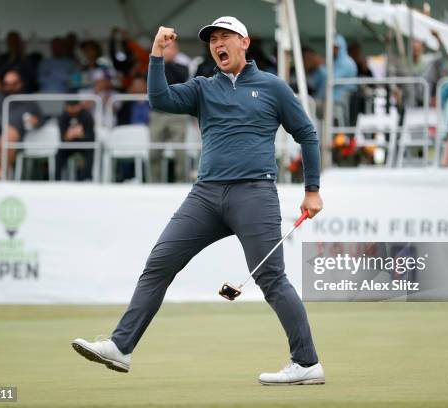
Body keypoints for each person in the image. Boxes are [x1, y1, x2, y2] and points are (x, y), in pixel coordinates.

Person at [72, 16, 325, 386]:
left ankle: (306, 363)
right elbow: (160, 99)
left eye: (225, 37)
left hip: (254, 193)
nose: (218, 44)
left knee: (271, 279)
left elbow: (306, 134)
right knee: (159, 263)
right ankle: (121, 347)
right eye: (212, 40)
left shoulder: (272, 87)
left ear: (244, 42)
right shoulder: (204, 87)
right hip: (205, 196)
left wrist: (312, 189)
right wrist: (157, 54)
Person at [0, 70, 42, 179]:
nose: (9, 87)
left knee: (8, 137)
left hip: (12, 137)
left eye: (13, 84)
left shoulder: (28, 101)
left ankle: (2, 177)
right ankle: (3, 177)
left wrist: (36, 121)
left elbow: (41, 119)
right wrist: (6, 126)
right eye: (6, 84)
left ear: (20, 83)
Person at [148, 39, 189, 182]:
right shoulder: (155, 68)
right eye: (165, 48)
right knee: (154, 152)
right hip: (157, 114)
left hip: (177, 114)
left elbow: (181, 78)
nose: (168, 51)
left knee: (180, 152)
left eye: (171, 48)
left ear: (176, 51)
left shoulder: (182, 67)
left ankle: (182, 182)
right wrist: (161, 61)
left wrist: (168, 62)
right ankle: (154, 183)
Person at [56, 101, 95, 180]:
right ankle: (57, 179)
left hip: (84, 145)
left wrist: (81, 135)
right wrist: (68, 136)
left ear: (79, 106)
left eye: (74, 106)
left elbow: (91, 136)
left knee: (90, 151)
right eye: (70, 106)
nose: (72, 109)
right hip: (69, 145)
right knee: (59, 153)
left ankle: (87, 178)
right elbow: (62, 137)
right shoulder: (63, 116)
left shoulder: (86, 115)